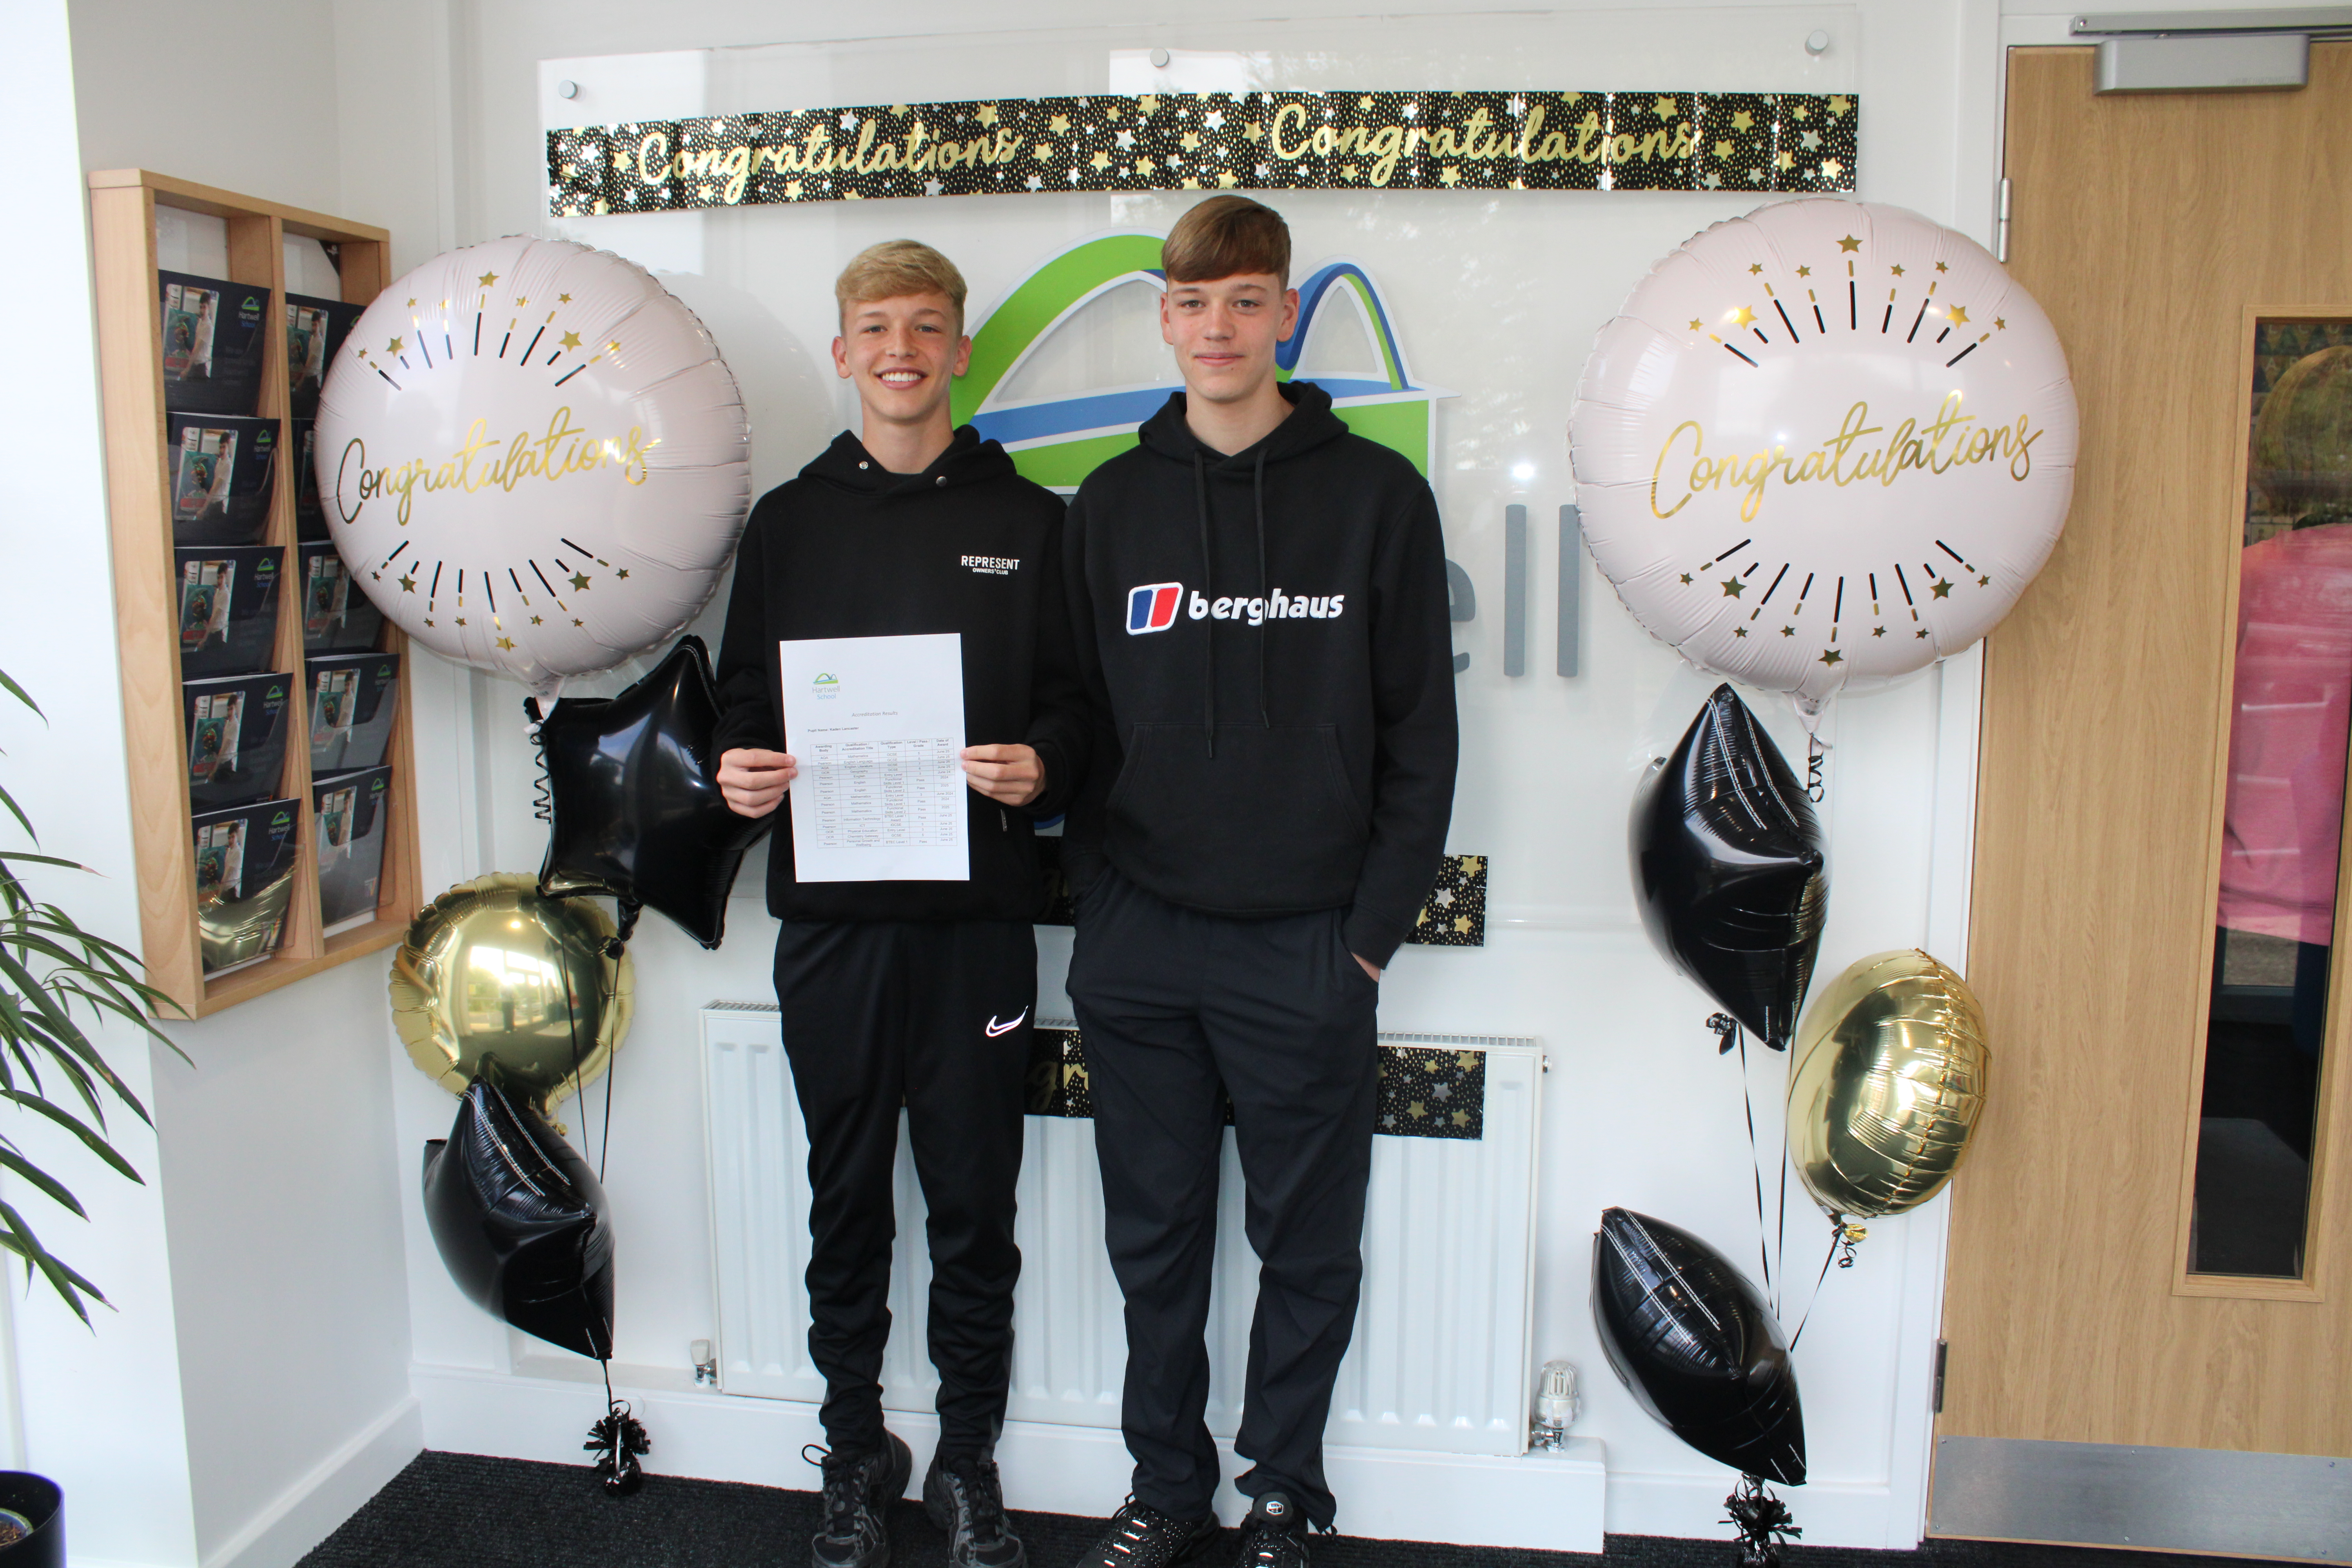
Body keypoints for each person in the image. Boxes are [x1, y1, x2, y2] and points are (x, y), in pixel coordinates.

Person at [1058, 196, 1459, 1568]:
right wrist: (1100, 906)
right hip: (1142, 944)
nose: (1217, 327)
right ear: (1165, 321)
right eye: (1192, 303)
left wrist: (1368, 939)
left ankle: (1284, 1491)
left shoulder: (1377, 499)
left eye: (1244, 301)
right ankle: (1165, 1489)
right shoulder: (1111, 507)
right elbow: (1077, 720)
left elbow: (1422, 739)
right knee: (1154, 1243)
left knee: (1309, 1245)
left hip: (1308, 944)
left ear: (1286, 314)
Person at [712, 239, 1090, 1568]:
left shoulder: (1032, 521)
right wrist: (739, 769)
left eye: (927, 326)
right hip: (832, 931)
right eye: (877, 326)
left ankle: (968, 1459)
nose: (901, 349)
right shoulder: (788, 523)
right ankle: (854, 1451)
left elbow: (1078, 710)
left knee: (977, 1209)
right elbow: (743, 705)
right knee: (847, 1204)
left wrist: (1045, 765)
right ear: (843, 351)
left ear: (961, 351)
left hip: (979, 929)